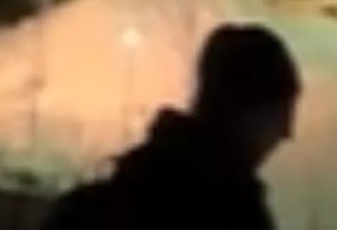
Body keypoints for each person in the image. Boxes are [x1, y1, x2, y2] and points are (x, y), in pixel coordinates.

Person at [43, 22, 300, 230]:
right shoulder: (230, 214)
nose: (287, 132)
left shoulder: (115, 198)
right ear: (247, 112)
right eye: (279, 115)